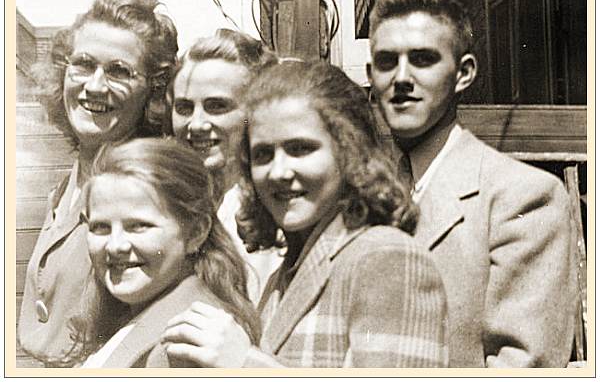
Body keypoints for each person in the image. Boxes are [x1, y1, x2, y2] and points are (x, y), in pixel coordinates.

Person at [161, 61, 448, 368]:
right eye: (263, 155)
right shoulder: (283, 274)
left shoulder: (387, 258)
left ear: (349, 152)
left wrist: (244, 365)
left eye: (300, 149)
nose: (279, 172)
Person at [366, 0, 577, 367]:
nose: (401, 78)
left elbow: (526, 367)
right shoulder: (369, 197)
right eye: (387, 62)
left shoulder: (522, 198)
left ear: (463, 74)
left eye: (423, 59)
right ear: (370, 77)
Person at [18, 0, 179, 367]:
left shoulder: (149, 191)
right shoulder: (67, 185)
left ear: (153, 91)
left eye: (119, 71)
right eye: (84, 65)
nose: (95, 86)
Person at [60, 137, 259, 367]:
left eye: (138, 226)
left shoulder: (187, 344)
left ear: (196, 232)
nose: (115, 245)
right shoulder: (134, 314)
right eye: (100, 227)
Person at [169, 29, 282, 303]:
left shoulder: (275, 216)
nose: (195, 124)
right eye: (184, 108)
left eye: (216, 106)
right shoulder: (171, 205)